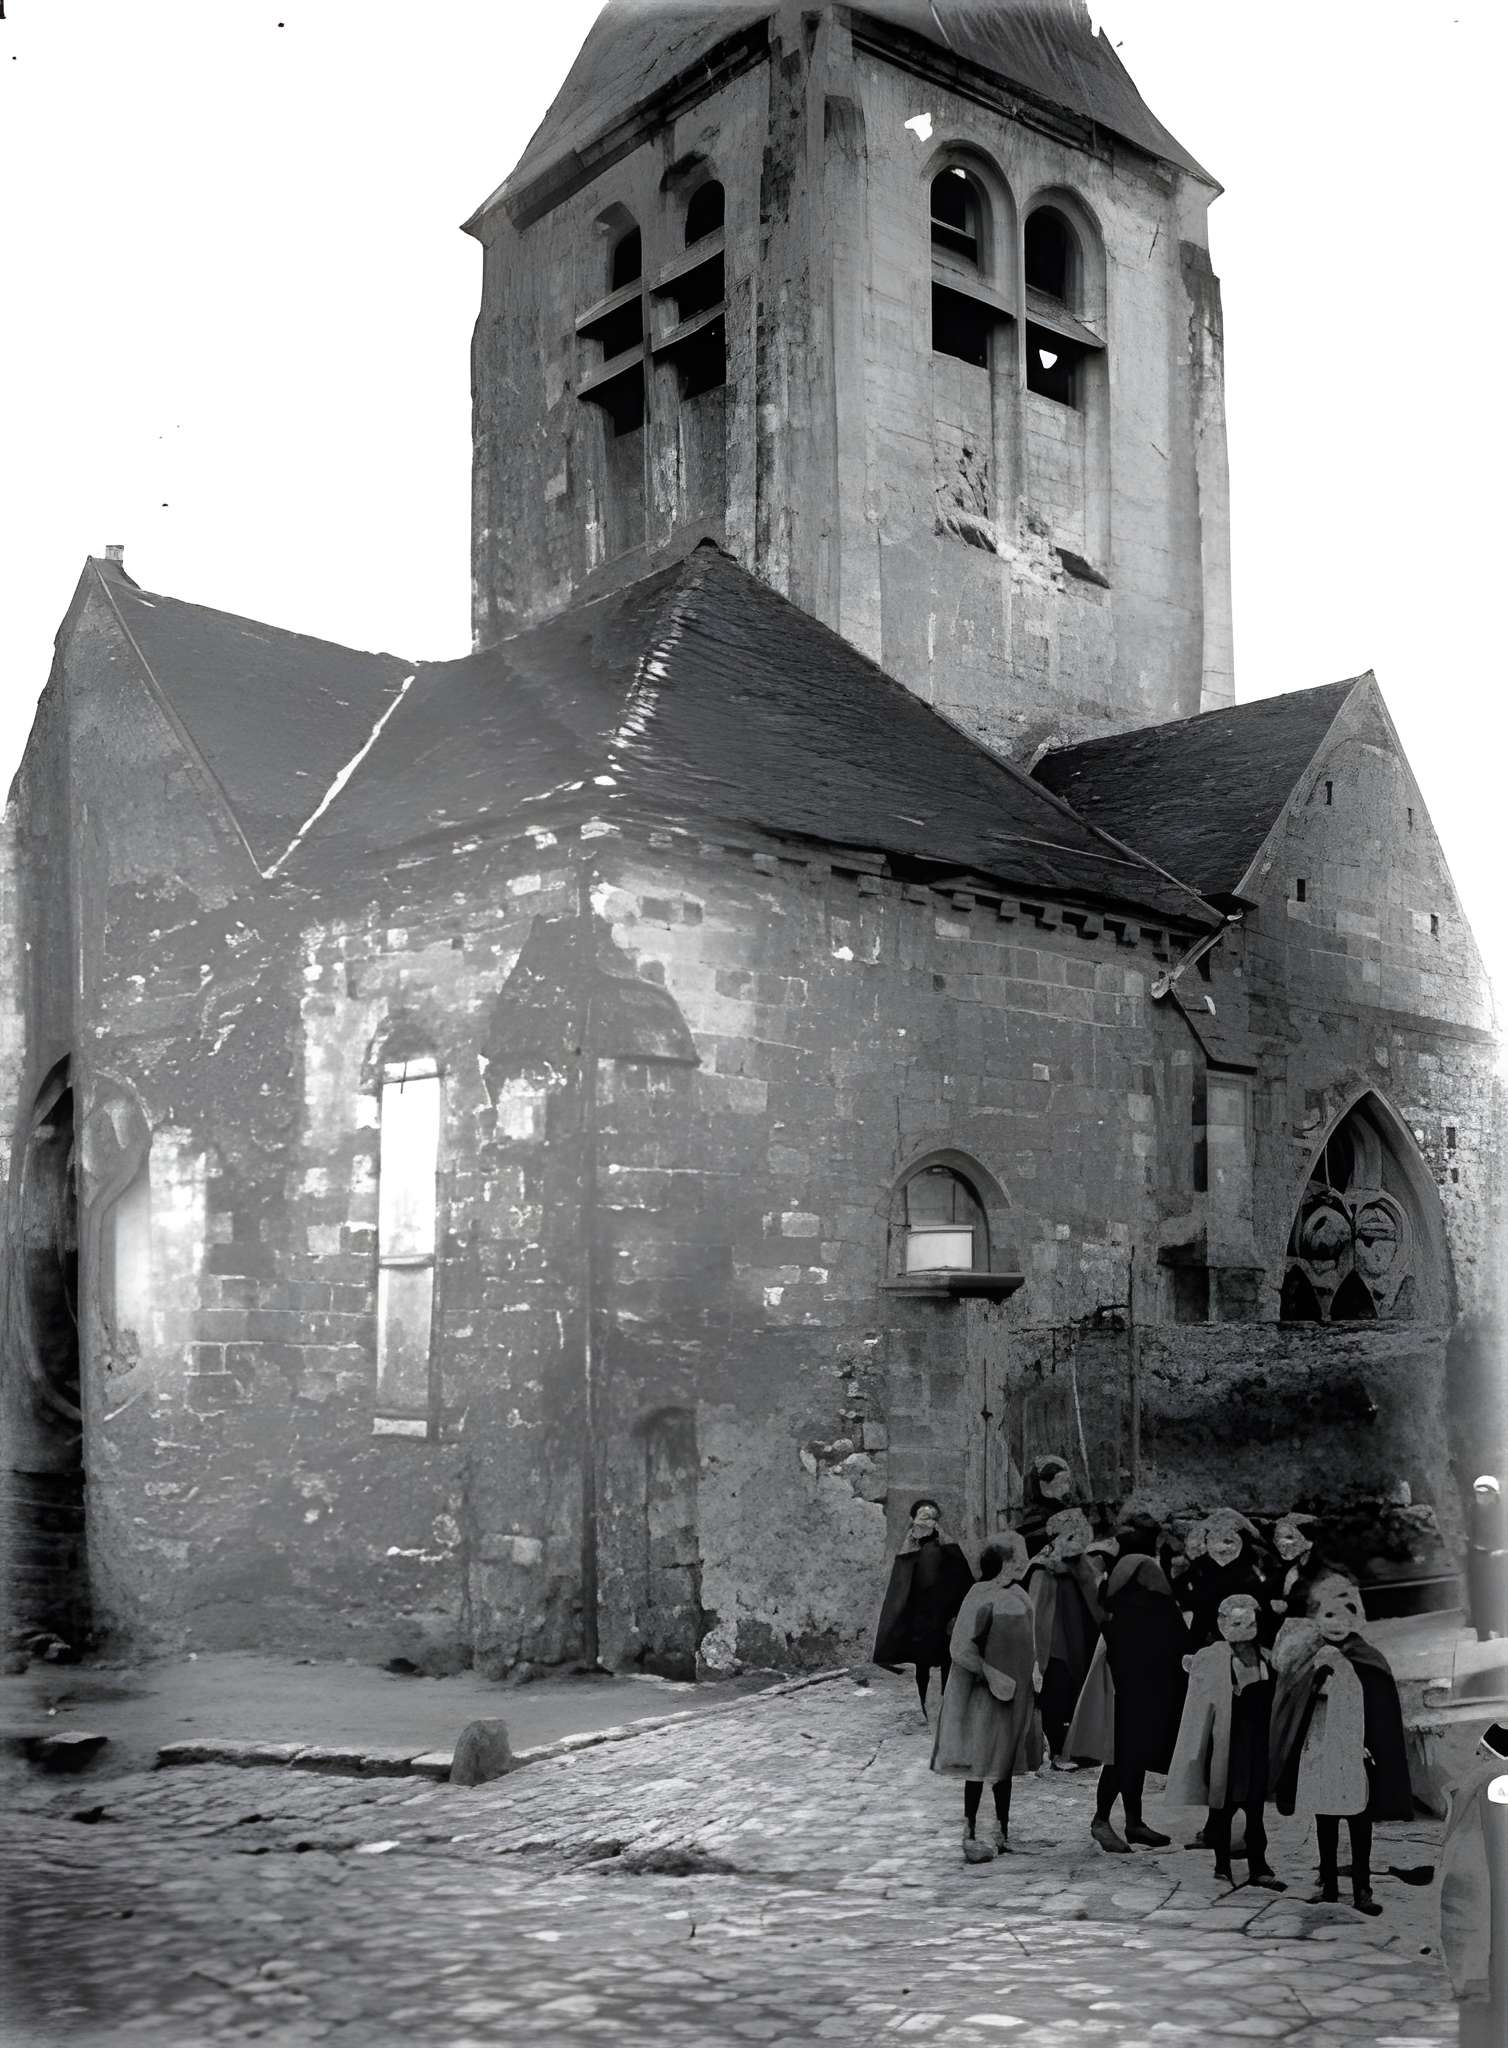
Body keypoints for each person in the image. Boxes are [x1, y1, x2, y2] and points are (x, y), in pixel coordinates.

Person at [1269, 1577, 1414, 1916]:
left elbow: (1380, 1710)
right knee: (1326, 1819)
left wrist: (1372, 1745)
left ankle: (1363, 1889)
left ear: (1356, 1619)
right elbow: (1294, 1698)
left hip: (1354, 1750)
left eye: (1345, 1617)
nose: (1337, 1625)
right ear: (1318, 1618)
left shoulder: (1368, 1658)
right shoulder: (1308, 1655)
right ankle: (1330, 1885)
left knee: (1358, 1820)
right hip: (1319, 1746)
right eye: (1329, 1616)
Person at [931, 1532, 1044, 1862]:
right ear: (1004, 1562)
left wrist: (1035, 1669)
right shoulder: (980, 1595)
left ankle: (1002, 1831)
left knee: (1006, 1762)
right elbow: (960, 1648)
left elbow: (1030, 1641)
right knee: (980, 1764)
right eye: (1016, 1558)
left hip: (1018, 1692)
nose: (1022, 1562)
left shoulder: (1021, 1596)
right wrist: (990, 1674)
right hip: (987, 1694)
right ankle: (970, 1831)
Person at [1165, 1592, 1285, 1891]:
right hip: (1225, 1745)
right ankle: (1222, 1864)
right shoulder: (1213, 1657)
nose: (1241, 1630)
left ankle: (1258, 1864)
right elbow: (1199, 1702)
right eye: (1234, 1622)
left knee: (1255, 1809)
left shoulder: (1268, 1658)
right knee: (1224, 1807)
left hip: (1256, 1744)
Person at [1088, 1512, 1189, 1853]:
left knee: (1131, 1754)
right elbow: (1176, 1633)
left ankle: (1134, 1823)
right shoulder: (1149, 1587)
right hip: (1140, 1687)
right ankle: (1102, 1820)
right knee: (1126, 1754)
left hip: (1128, 1684)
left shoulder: (1116, 1589)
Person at [1439, 1723, 1508, 2048]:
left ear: (1489, 1752)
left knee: (1468, 1926)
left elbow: (1456, 1822)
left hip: (1473, 1867)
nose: (1475, 1755)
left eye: (1480, 1750)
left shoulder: (1480, 1779)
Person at [873, 1497, 975, 1717]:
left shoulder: (948, 1549)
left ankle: (949, 1707)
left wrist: (957, 1614)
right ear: (914, 1519)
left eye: (933, 1517)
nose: (929, 1521)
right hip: (921, 1618)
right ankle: (922, 1705)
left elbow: (963, 1580)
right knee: (922, 1664)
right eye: (924, 1516)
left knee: (948, 1660)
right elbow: (900, 1589)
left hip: (944, 1616)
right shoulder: (908, 1551)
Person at [1025, 1506, 1103, 1769]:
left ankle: (1075, 1748)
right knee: (1056, 1694)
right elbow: (1036, 1611)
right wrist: (1036, 1652)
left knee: (1075, 1693)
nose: (1076, 1543)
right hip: (1054, 1644)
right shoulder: (1041, 1569)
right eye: (1069, 1537)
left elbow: (1094, 1601)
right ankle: (1058, 1751)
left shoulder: (1081, 1565)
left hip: (1079, 1640)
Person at [1180, 1510, 1271, 1651]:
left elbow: (1262, 1604)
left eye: (1227, 1540)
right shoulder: (1202, 1565)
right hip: (1213, 1629)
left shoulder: (1249, 1565)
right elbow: (1199, 1611)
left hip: (1244, 1634)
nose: (1221, 1546)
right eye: (1215, 1539)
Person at [1265, 1512, 1345, 1642]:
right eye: (1278, 1538)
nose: (1282, 1544)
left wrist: (1287, 1607)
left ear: (1309, 1542)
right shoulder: (1286, 1571)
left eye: (1289, 1537)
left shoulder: (1327, 1575)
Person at [1465, 1476, 1506, 1643]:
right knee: (1480, 1596)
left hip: (1501, 1559)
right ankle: (1483, 1633)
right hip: (1479, 1559)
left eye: (1486, 1494)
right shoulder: (1472, 1510)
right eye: (1479, 1494)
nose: (1482, 1497)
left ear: (1494, 1495)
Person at [1016, 1455, 1076, 1557]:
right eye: (1061, 1482)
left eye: (1067, 1482)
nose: (1066, 1488)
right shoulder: (1037, 1520)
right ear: (1044, 1485)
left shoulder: (1062, 1514)